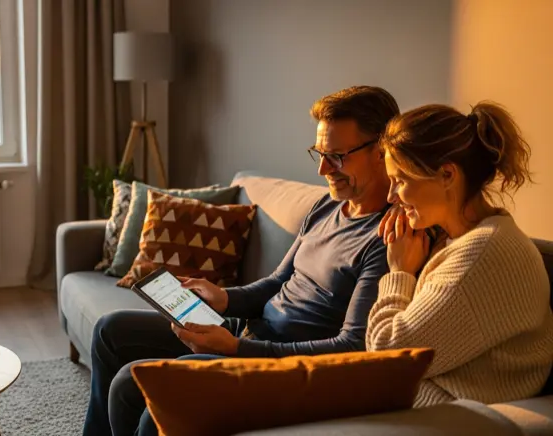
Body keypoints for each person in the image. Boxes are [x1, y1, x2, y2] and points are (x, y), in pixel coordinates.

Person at [82, 85, 400, 436]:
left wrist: (236, 348)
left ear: (382, 151)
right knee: (110, 331)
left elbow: (351, 348)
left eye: (337, 156)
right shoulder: (328, 206)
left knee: (135, 387)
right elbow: (279, 281)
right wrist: (225, 298)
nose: (324, 168)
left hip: (274, 364)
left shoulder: (386, 239)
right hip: (244, 331)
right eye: (319, 153)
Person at [368, 101, 553, 407]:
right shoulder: (460, 239)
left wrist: (399, 273)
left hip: (450, 414)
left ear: (447, 175)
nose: (391, 197)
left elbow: (388, 358)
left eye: (400, 181)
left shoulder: (480, 255)